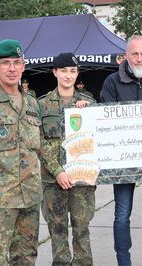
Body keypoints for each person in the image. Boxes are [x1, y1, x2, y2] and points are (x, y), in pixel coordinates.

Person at [100, 35, 142, 266]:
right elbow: (104, 120)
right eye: (135, 54)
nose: (139, 58)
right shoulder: (111, 81)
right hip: (122, 161)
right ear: (126, 55)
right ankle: (124, 261)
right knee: (122, 214)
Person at [0, 39, 42, 265]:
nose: (12, 68)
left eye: (17, 62)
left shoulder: (33, 104)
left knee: (26, 257)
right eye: (5, 63)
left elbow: (38, 147)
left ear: (24, 65)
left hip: (30, 196)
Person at [39, 53, 96, 265]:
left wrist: (88, 113)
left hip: (81, 181)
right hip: (53, 182)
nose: (68, 75)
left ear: (77, 73)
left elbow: (95, 140)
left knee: (82, 230)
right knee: (57, 231)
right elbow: (39, 143)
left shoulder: (88, 103)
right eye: (63, 70)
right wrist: (57, 171)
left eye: (72, 71)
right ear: (55, 72)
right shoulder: (42, 105)